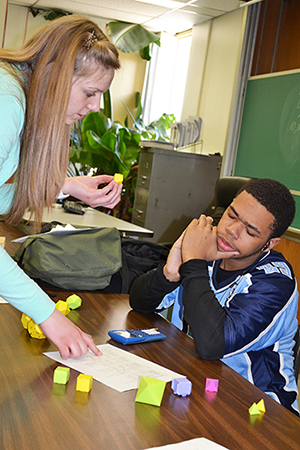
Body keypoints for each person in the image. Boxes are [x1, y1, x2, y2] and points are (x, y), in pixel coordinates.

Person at [0, 15, 122, 359]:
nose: (96, 106)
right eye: (90, 92)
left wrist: (65, 187)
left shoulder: (16, 95)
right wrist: (49, 316)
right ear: (55, 75)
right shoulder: (7, 102)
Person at [130, 178, 299, 415]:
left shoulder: (275, 283)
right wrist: (170, 271)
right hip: (197, 388)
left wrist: (194, 263)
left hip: (259, 410)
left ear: (269, 244)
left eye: (250, 231)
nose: (232, 230)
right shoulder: (208, 247)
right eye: (231, 215)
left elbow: (212, 344)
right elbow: (139, 303)